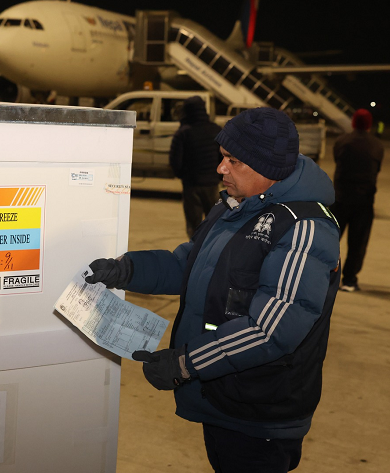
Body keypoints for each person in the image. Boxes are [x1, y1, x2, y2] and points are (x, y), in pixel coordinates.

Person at [86, 108, 341, 472]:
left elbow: (271, 330)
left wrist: (187, 363)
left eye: (233, 161)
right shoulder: (234, 206)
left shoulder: (305, 229)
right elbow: (187, 265)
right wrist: (126, 270)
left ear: (266, 166)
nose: (221, 169)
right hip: (223, 395)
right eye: (223, 157)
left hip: (260, 411)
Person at [330, 108, 384, 292]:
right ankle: (350, 280)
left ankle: (326, 275)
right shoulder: (377, 145)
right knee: (358, 242)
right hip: (364, 200)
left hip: (341, 198)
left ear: (353, 123)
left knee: (331, 239)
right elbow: (377, 168)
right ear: (369, 124)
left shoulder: (342, 141)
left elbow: (337, 159)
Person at [169, 96, 222, 237]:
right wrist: (219, 176)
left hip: (192, 185)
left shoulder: (183, 133)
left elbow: (175, 161)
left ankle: (195, 249)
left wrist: (183, 175)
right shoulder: (216, 130)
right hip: (212, 184)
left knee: (194, 225)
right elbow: (224, 157)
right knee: (214, 223)